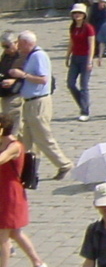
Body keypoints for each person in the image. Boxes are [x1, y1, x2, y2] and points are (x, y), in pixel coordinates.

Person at [8, 33, 71, 179]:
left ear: (25, 42)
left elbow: (43, 79)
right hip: (30, 102)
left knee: (43, 137)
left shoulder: (38, 56)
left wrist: (22, 75)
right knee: (27, 139)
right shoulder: (30, 56)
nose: (18, 46)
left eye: (19, 43)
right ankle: (27, 170)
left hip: (39, 102)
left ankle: (64, 164)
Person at [0, 115, 46, 267]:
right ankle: (38, 263)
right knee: (15, 233)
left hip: (10, 193)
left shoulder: (14, 146)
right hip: (3, 191)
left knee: (3, 236)